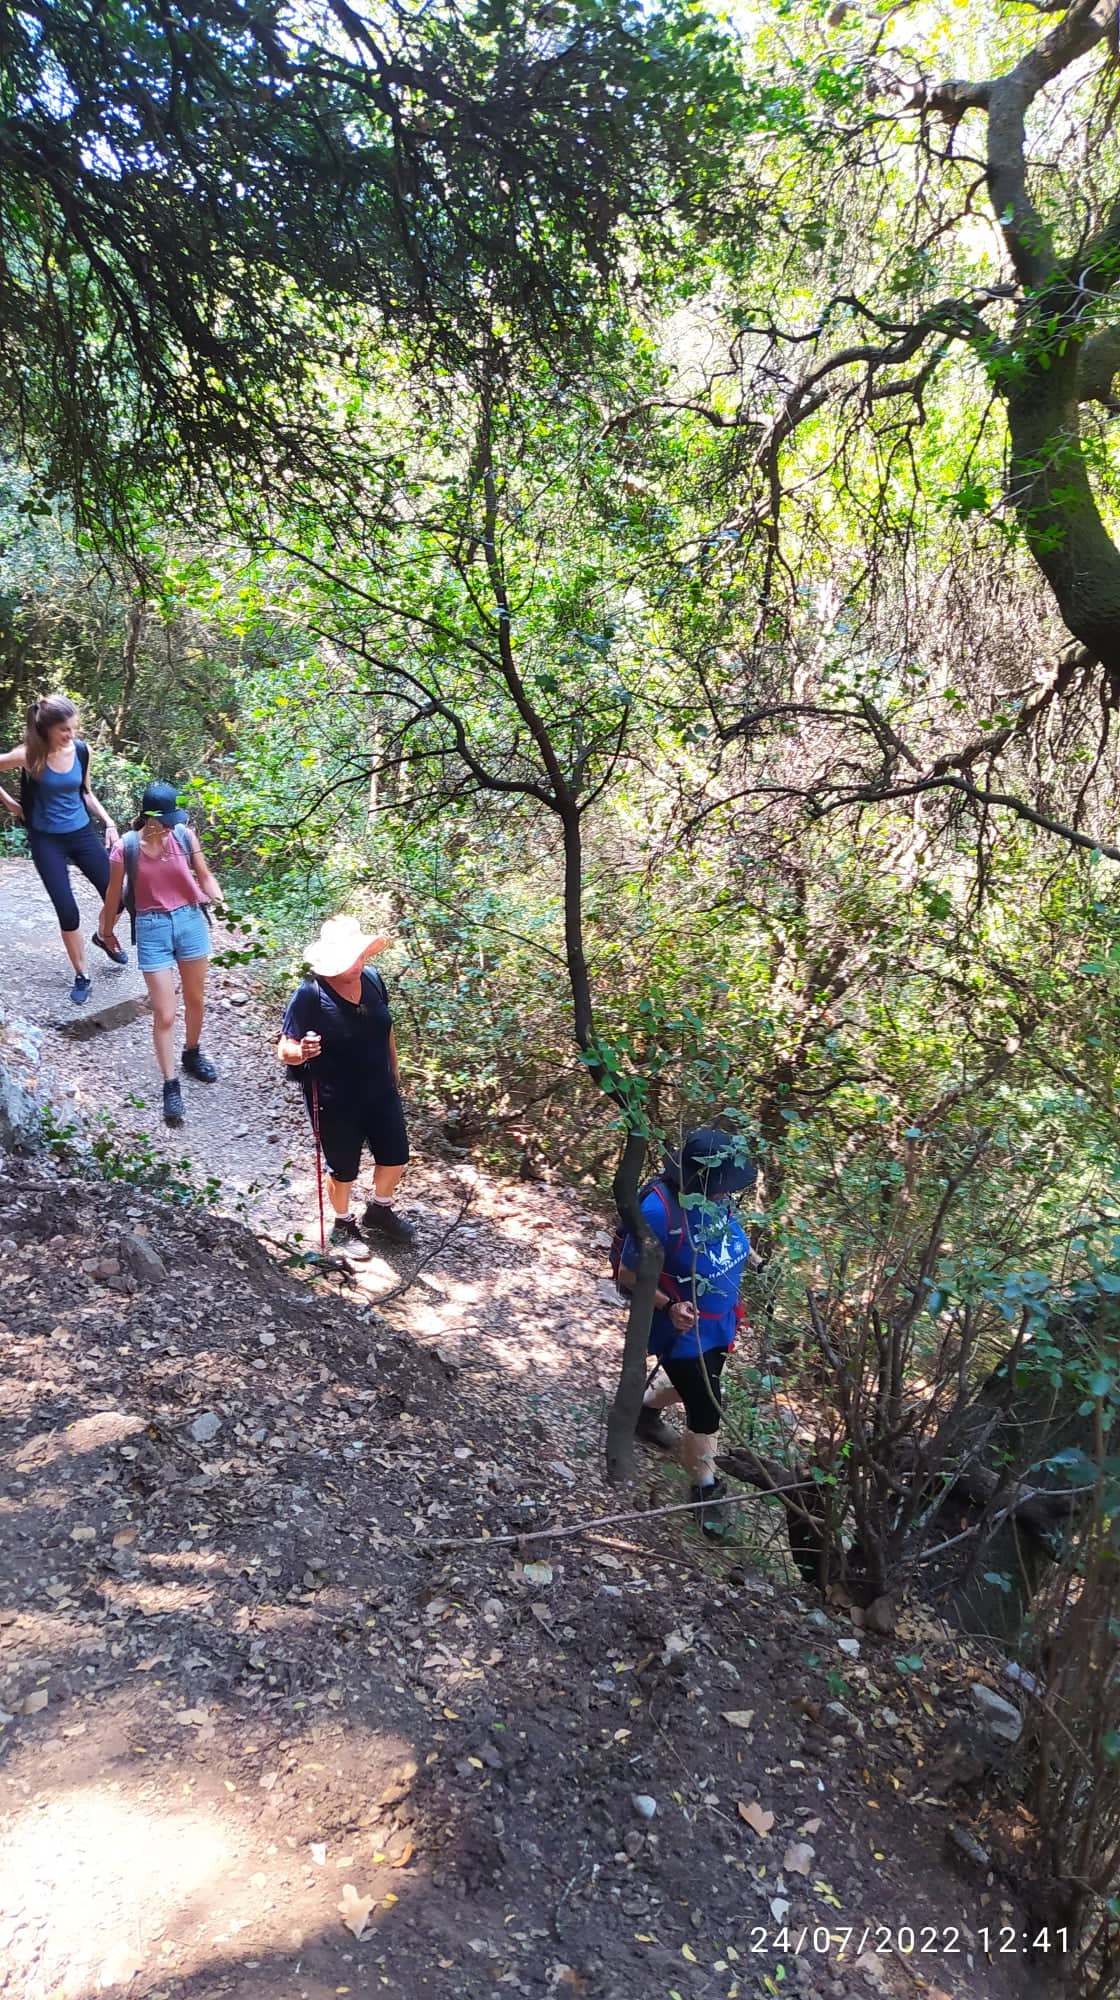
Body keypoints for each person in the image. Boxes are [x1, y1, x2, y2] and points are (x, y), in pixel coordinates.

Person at [617, 1125, 755, 1538]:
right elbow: (627, 1273)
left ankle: (643, 1412)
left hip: (721, 1323)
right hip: (682, 1329)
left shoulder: (719, 1200)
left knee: (700, 1388)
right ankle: (705, 1491)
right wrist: (670, 1305)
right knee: (706, 1409)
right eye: (723, 1184)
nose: (728, 1192)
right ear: (700, 1178)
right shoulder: (660, 1212)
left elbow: (725, 1239)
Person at [277, 914, 416, 1259]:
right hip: (333, 1097)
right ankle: (342, 1224)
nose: (357, 964)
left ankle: (380, 1210)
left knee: (395, 1155)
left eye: (359, 956)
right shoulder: (310, 994)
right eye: (349, 959)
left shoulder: (371, 978)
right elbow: (285, 1049)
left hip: (380, 1088)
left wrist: (394, 1068)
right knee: (343, 1168)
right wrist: (303, 1052)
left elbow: (386, 1026)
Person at [98, 781, 222, 1127]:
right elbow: (113, 895)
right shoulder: (126, 848)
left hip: (190, 920)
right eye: (165, 820)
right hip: (151, 927)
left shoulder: (184, 837)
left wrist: (221, 902)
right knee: (165, 1012)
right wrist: (107, 933)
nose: (171, 825)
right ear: (149, 817)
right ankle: (171, 1083)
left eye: (173, 819)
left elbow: (206, 877)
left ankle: (192, 1053)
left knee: (196, 998)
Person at [0, 694, 127, 1003]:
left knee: (119, 897)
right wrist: (13, 805)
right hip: (46, 840)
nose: (71, 735)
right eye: (64, 730)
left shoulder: (82, 750)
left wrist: (109, 822)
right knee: (68, 912)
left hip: (81, 832)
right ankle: (82, 974)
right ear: (45, 731)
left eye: (72, 727)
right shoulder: (28, 755)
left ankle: (104, 935)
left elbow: (85, 792)